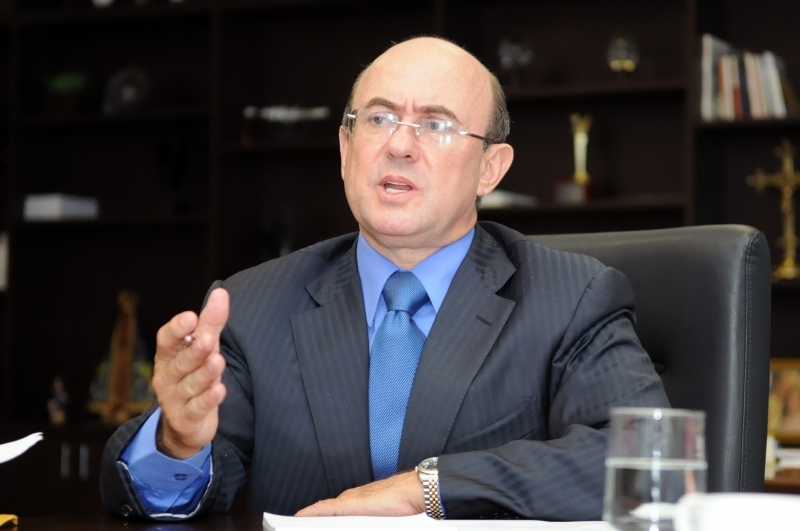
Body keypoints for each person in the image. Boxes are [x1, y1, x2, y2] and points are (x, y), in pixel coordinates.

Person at [100, 36, 669, 521]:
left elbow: (641, 463)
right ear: (345, 148)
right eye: (378, 119)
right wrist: (177, 444)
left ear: (490, 169)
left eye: (436, 124)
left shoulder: (571, 297)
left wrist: (429, 488)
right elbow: (176, 493)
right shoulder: (252, 305)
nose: (399, 145)